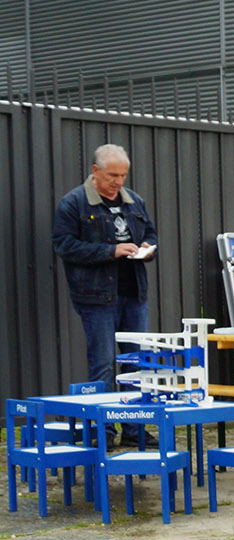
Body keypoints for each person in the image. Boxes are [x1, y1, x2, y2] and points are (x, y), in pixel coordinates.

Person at [51, 145, 158, 388]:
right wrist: (111, 251)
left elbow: (152, 234)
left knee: (137, 363)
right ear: (95, 170)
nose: (118, 182)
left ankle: (136, 426)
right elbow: (64, 246)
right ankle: (104, 427)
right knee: (102, 364)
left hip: (135, 295)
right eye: (112, 175)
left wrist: (148, 248)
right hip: (96, 298)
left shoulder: (134, 201)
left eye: (123, 175)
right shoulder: (74, 203)